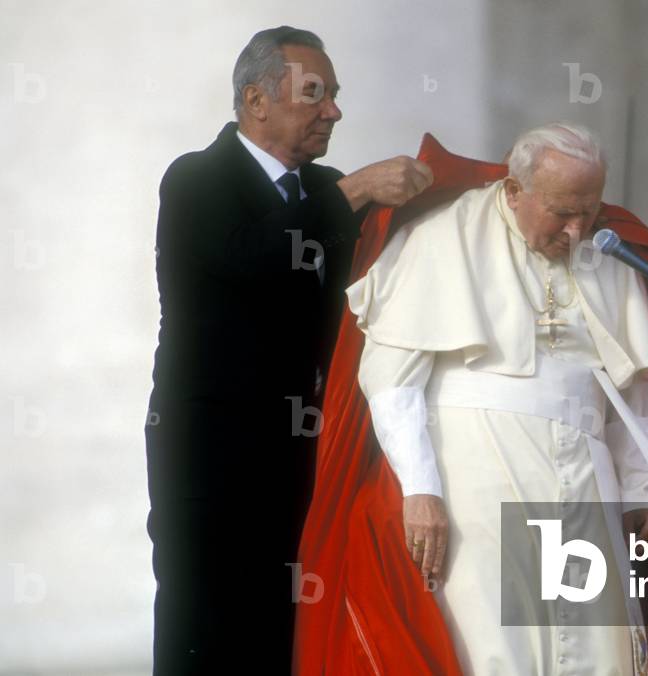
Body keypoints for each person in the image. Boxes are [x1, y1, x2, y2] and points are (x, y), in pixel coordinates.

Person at [292, 128, 648, 675]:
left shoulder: (603, 247)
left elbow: (630, 384)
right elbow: (393, 382)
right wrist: (419, 490)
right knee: (494, 647)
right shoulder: (441, 237)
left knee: (594, 649)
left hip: (587, 480)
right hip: (476, 475)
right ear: (515, 190)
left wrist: (641, 489)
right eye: (563, 212)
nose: (577, 229)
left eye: (588, 211)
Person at [145, 26, 433, 675]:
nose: (332, 110)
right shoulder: (195, 180)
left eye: (334, 95)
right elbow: (250, 257)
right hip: (213, 461)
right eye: (315, 94)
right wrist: (354, 191)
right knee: (212, 624)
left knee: (294, 630)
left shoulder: (324, 191)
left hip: (308, 456)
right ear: (256, 100)